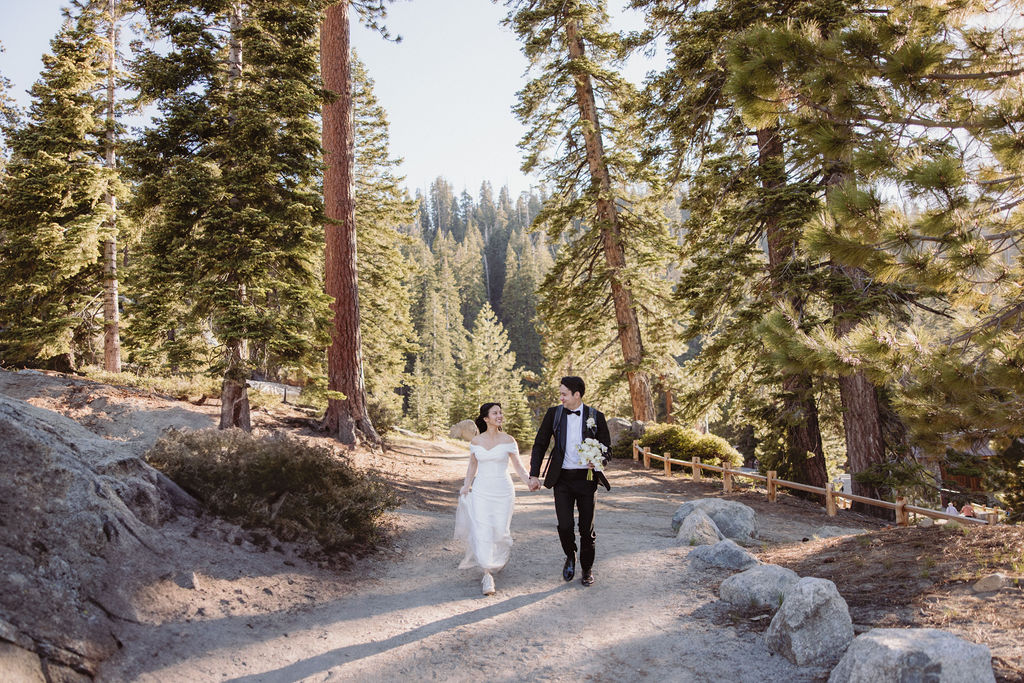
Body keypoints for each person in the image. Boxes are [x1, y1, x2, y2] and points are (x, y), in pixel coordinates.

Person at [529, 376, 610, 587]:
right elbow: (540, 444)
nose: (561, 397)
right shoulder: (554, 414)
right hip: (562, 479)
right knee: (564, 526)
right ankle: (570, 555)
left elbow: (607, 448)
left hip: (587, 480)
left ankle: (587, 568)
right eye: (560, 393)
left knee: (586, 529)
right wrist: (534, 474)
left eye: (564, 393)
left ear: (577, 394)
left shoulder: (596, 416)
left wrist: (599, 459)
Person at [454, 402, 532, 595]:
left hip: (503, 491)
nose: (499, 415)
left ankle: (497, 558)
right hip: (481, 490)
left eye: (500, 412)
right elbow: (472, 466)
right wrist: (466, 485)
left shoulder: (508, 440)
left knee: (500, 531)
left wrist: (529, 481)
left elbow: (519, 467)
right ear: (486, 418)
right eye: (495, 413)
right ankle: (487, 574)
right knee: (482, 529)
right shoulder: (476, 442)